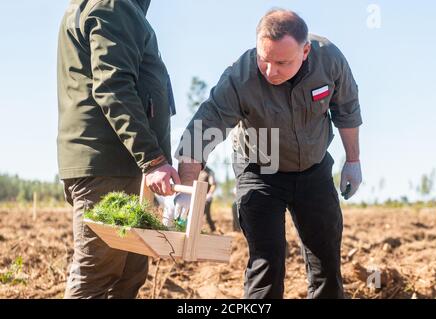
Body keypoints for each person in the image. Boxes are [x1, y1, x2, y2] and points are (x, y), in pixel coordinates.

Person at [164, 9, 363, 298]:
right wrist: (186, 187)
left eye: (282, 62)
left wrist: (353, 160)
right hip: (260, 171)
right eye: (264, 59)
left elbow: (347, 109)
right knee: (266, 261)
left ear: (305, 51)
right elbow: (203, 130)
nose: (270, 71)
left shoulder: (329, 60)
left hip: (314, 168)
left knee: (326, 262)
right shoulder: (240, 77)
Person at [57, 0, 180, 298]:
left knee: (129, 274)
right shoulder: (113, 5)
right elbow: (113, 86)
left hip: (122, 164)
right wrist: (152, 159)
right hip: (109, 165)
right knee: (97, 275)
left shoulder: (119, 7)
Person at [197, 166, 217, 232]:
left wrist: (209, 195)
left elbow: (213, 185)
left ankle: (213, 230)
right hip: (197, 197)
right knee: (197, 214)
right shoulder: (197, 170)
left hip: (206, 198)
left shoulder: (209, 172)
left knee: (206, 216)